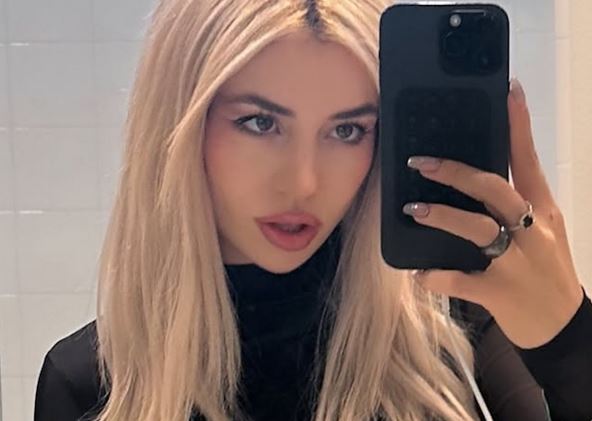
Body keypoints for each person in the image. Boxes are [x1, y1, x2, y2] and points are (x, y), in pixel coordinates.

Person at [34, 0, 592, 420]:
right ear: (181, 126)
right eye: (260, 123)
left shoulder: (451, 330)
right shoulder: (92, 384)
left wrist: (568, 340)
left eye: (347, 131)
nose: (304, 183)